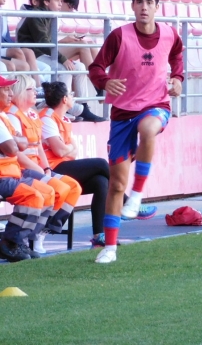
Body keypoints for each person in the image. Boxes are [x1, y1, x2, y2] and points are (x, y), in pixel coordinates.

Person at [88, 0, 184, 264]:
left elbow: (177, 55)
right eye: (139, 1)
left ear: (157, 7)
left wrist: (177, 79)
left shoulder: (169, 34)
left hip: (156, 104)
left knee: (148, 128)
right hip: (121, 114)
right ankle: (110, 247)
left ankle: (138, 194)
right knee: (116, 184)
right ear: (132, 5)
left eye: (149, 2)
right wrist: (106, 82)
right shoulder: (119, 36)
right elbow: (95, 68)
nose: (144, 7)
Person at [39, 81, 156, 250]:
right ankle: (130, 204)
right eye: (71, 95)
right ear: (65, 99)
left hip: (64, 165)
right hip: (52, 169)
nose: (73, 97)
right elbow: (60, 150)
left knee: (101, 182)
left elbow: (72, 152)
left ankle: (98, 236)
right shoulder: (47, 118)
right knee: (101, 164)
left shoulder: (64, 119)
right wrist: (67, 149)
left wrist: (67, 149)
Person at [6, 74, 82, 253]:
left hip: (38, 167)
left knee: (74, 187)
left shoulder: (31, 114)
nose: (36, 92)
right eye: (31, 89)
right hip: (24, 168)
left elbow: (38, 145)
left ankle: (44, 230)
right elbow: (16, 152)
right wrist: (40, 169)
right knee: (59, 189)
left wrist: (46, 167)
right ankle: (30, 237)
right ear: (20, 92)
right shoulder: (12, 115)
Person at [16, 0, 104, 122]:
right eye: (58, 1)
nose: (59, 4)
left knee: (79, 67)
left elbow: (49, 43)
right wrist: (63, 60)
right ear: (46, 2)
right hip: (34, 56)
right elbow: (44, 44)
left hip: (42, 54)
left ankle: (83, 107)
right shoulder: (36, 16)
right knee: (64, 67)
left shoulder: (50, 16)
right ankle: (64, 106)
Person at [0, 75, 59, 262]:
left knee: (49, 192)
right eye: (6, 89)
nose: (10, 93)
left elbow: (22, 144)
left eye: (10, 89)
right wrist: (14, 140)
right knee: (33, 196)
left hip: (12, 172)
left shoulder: (2, 115)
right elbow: (11, 148)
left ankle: (21, 241)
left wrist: (14, 140)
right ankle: (10, 242)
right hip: (3, 175)